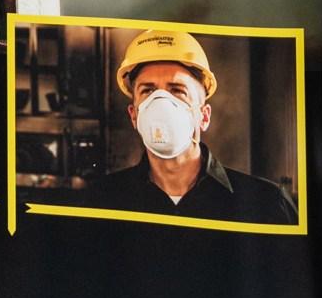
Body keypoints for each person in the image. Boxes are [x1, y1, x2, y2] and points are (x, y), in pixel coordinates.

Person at [78, 29, 297, 224]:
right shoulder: (101, 200)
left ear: (203, 115)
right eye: (147, 91)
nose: (161, 102)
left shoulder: (266, 205)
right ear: (134, 116)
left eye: (177, 90)